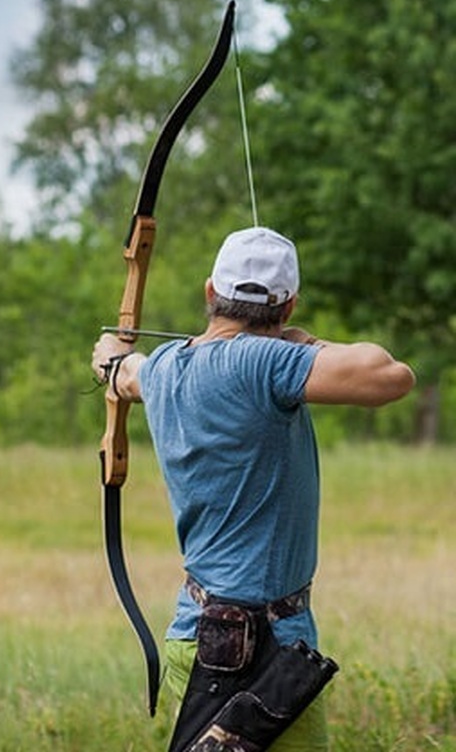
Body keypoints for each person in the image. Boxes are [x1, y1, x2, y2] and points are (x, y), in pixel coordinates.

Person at [92, 226, 415, 751]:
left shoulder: (166, 368)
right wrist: (307, 342)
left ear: (209, 293)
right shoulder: (265, 363)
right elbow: (391, 375)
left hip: (193, 634)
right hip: (264, 650)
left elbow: (124, 373)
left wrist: (110, 356)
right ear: (287, 307)